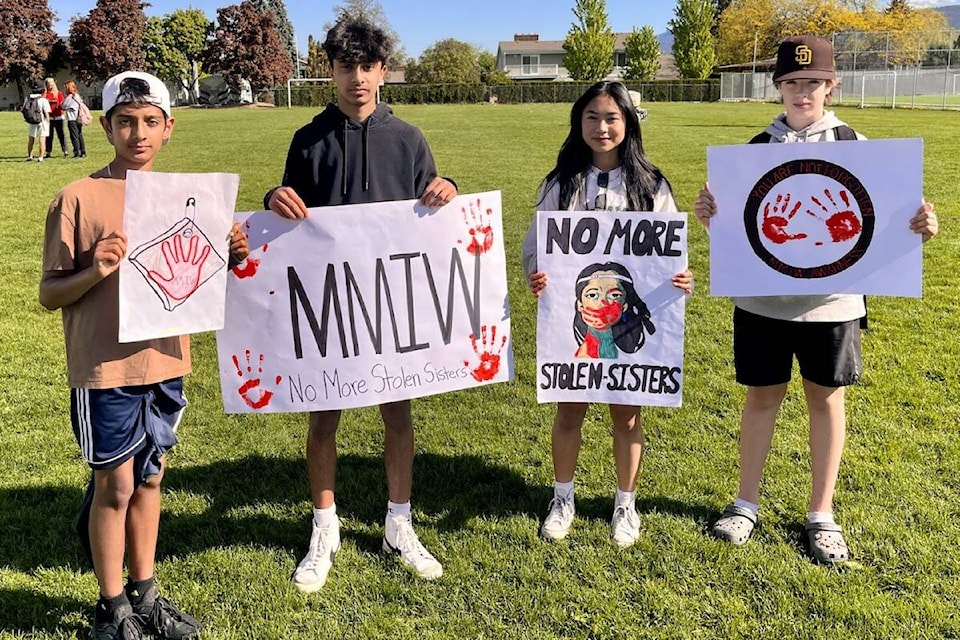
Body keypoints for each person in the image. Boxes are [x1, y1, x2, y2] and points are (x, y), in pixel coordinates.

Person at [693, 35, 939, 564]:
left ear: (832, 86)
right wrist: (710, 216)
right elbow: (739, 236)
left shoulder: (860, 146)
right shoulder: (754, 152)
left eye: (813, 83)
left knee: (826, 400)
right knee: (761, 398)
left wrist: (920, 225)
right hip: (763, 303)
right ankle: (745, 503)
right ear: (777, 87)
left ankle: (821, 513)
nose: (802, 93)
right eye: (791, 83)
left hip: (833, 303)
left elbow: (891, 221)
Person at [39, 70, 250, 640]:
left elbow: (203, 278)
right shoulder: (78, 198)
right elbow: (49, 292)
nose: (138, 133)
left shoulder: (190, 198)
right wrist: (94, 269)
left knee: (151, 480)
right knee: (115, 486)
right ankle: (111, 611)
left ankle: (145, 593)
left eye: (150, 122)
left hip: (167, 362)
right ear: (105, 126)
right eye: (126, 122)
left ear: (168, 129)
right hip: (106, 368)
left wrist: (228, 252)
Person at [264, 15, 458, 592]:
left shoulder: (409, 139)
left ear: (382, 70)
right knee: (324, 417)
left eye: (367, 67)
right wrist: (275, 196)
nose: (357, 78)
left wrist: (445, 189)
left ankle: (399, 521)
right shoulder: (308, 140)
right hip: (330, 304)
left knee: (397, 414)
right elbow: (284, 214)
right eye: (345, 67)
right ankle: (325, 526)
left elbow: (431, 214)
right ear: (331, 70)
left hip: (390, 305)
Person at [521, 81, 693, 548]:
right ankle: (563, 498)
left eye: (612, 118)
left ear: (628, 124)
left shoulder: (651, 184)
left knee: (627, 414)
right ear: (579, 123)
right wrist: (538, 274)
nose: (602, 127)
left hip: (627, 326)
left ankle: (625, 503)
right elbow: (536, 247)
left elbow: (668, 259)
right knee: (569, 408)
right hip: (573, 327)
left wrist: (679, 280)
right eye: (593, 117)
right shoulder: (560, 184)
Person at [24, 83, 50, 162]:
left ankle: (30, 156)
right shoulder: (43, 100)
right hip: (41, 121)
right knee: (42, 138)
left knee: (31, 138)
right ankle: (41, 157)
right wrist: (48, 121)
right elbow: (46, 113)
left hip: (31, 121)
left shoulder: (28, 98)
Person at [62, 79, 88, 158]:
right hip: (79, 118)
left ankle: (76, 152)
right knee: (80, 135)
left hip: (72, 119)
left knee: (74, 136)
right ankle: (83, 151)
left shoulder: (70, 97)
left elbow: (63, 106)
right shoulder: (77, 96)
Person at [44, 77, 68, 158]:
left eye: (52, 85)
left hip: (59, 117)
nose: (50, 87)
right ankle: (48, 152)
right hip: (49, 118)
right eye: (49, 85)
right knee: (49, 135)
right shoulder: (45, 94)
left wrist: (60, 106)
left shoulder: (58, 93)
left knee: (61, 134)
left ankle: (65, 150)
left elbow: (62, 104)